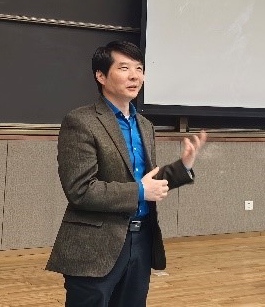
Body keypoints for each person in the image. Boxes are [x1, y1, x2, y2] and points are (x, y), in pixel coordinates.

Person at [46, 41, 207, 306]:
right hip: (95, 245)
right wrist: (141, 191)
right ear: (101, 75)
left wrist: (183, 166)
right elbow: (80, 190)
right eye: (124, 68)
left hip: (141, 240)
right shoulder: (81, 121)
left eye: (139, 68)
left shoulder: (145, 125)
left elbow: (146, 181)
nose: (135, 76)